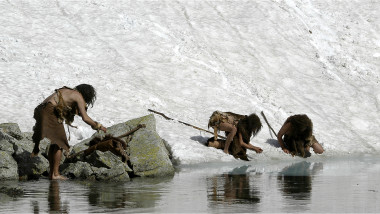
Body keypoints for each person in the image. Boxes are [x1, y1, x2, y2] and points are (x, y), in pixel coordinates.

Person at [31, 84, 107, 180]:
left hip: (41, 109)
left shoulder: (67, 91)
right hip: (50, 110)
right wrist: (98, 126)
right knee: (60, 143)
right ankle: (55, 174)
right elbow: (85, 117)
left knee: (55, 143)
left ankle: (52, 174)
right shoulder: (78, 96)